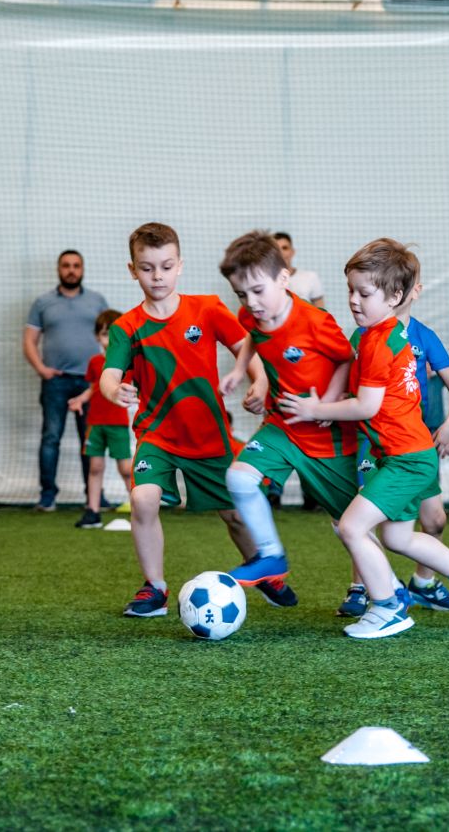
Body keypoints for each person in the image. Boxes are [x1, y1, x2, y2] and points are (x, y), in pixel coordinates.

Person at [278, 238, 449, 640]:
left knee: (351, 527)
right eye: (350, 291)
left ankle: (389, 607)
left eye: (364, 293)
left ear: (395, 297)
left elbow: (367, 406)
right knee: (396, 536)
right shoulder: (382, 335)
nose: (353, 300)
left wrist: (316, 409)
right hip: (405, 456)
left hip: (407, 458)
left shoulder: (378, 342)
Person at [100, 222, 290, 617]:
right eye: (147, 268)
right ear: (133, 270)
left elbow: (247, 348)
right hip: (157, 435)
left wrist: (260, 381)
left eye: (166, 266)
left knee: (234, 514)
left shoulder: (207, 309)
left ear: (180, 266)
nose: (157, 276)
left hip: (209, 433)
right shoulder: (126, 327)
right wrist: (114, 390)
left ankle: (264, 571)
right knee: (142, 499)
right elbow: (109, 375)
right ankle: (155, 588)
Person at [215, 231, 359, 597]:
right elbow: (253, 335)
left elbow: (347, 359)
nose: (251, 303)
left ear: (283, 278)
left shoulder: (316, 321)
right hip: (283, 424)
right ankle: (271, 555)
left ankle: (380, 590)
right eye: (241, 294)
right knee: (239, 478)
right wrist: (241, 371)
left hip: (327, 436)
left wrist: (326, 403)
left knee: (349, 525)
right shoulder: (251, 314)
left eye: (257, 291)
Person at [335, 280, 449, 619]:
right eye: (354, 291)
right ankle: (363, 587)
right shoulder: (364, 335)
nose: (356, 299)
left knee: (434, 519)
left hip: (413, 442)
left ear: (412, 291)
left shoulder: (423, 336)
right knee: (362, 516)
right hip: (376, 443)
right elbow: (352, 387)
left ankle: (423, 583)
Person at [24, 250, 108, 512]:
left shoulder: (97, 301)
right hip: (56, 383)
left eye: (76, 265)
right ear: (59, 269)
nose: (71, 270)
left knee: (91, 440)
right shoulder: (43, 303)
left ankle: (95, 498)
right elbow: (29, 341)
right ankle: (47, 496)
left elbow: (113, 336)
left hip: (90, 383)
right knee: (51, 437)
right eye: (66, 266)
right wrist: (42, 369)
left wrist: (108, 373)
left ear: (82, 269)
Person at [69, 310, 134, 529]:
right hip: (95, 424)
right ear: (98, 336)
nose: (109, 339)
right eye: (106, 334)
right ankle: (93, 512)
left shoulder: (129, 362)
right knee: (95, 467)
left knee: (126, 469)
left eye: (115, 334)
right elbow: (94, 388)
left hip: (118, 424)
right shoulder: (95, 362)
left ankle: (140, 511)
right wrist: (80, 399)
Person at [273, 232, 325, 309]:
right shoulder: (265, 280)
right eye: (277, 249)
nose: (281, 252)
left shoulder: (310, 277)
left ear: (292, 252)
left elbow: (320, 310)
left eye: (285, 248)